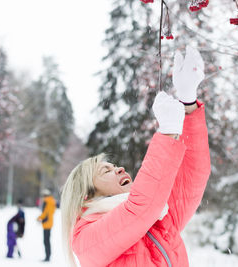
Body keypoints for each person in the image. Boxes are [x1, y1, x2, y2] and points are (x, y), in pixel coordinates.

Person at [60, 45, 211, 267]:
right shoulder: (86, 238)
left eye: (113, 166)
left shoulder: (159, 217)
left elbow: (193, 177)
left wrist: (188, 103)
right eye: (106, 171)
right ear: (87, 195)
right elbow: (140, 208)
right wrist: (168, 133)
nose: (119, 169)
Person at [37, 189, 56, 262]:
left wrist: (40, 218)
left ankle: (47, 257)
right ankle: (48, 255)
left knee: (46, 241)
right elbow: (51, 212)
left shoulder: (46, 201)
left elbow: (45, 212)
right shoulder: (52, 201)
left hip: (46, 223)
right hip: (50, 222)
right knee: (48, 240)